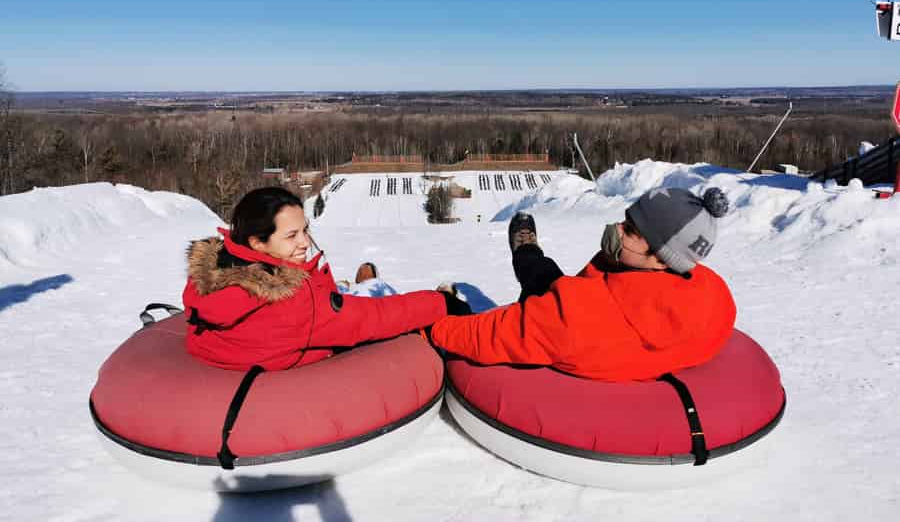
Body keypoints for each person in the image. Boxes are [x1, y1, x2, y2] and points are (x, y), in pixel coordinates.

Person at [429, 186, 736, 382]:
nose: (616, 228)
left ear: (661, 259)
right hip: (596, 318)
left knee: (538, 275)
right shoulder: (715, 295)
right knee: (549, 281)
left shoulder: (578, 319)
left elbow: (500, 334)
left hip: (570, 327)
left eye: (629, 230)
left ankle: (524, 251)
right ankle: (529, 252)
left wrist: (438, 327)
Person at [183, 187, 469, 371]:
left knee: (339, 296)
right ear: (257, 242)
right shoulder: (295, 302)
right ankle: (368, 285)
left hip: (254, 350)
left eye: (305, 230)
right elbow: (371, 319)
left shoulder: (215, 274)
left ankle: (351, 286)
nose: (305, 242)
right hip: (316, 338)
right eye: (292, 235)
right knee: (373, 299)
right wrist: (440, 304)